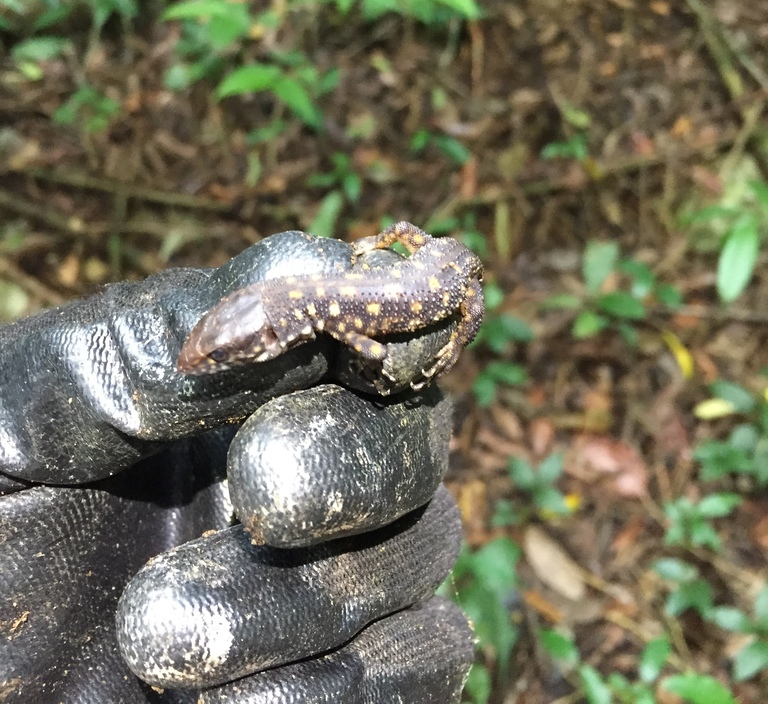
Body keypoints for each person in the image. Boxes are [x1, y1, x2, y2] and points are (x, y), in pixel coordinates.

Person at [0, 230, 474, 703]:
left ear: (272, 339)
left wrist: (393, 369)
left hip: (447, 280)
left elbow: (375, 349)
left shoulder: (330, 316)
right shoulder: (311, 310)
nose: (198, 361)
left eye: (220, 355)